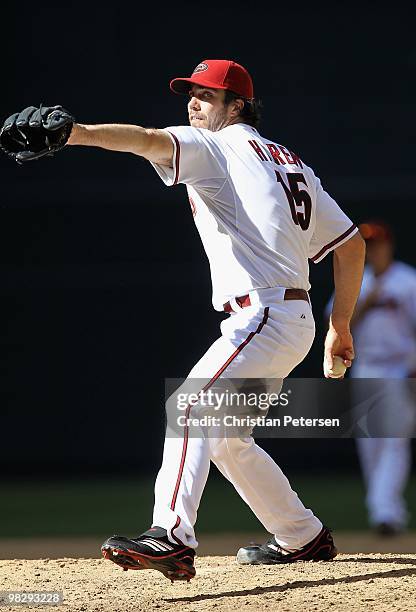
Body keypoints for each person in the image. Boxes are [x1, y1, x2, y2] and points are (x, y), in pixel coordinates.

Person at [4, 60, 365, 581]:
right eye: (190, 93)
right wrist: (341, 324)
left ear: (237, 104)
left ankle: (171, 536)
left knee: (192, 406)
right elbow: (350, 245)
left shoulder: (217, 145)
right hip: (291, 316)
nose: (194, 103)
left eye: (208, 95)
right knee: (226, 437)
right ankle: (302, 536)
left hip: (264, 314)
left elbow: (146, 140)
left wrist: (74, 134)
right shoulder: (290, 163)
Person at [348, 221, 416, 534]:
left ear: (388, 246)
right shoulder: (352, 282)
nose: (372, 251)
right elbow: (338, 325)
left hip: (400, 368)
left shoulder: (407, 281)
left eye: (376, 244)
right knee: (370, 445)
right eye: (367, 245)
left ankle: (383, 511)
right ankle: (389, 513)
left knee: (393, 442)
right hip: (365, 369)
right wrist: (368, 299)